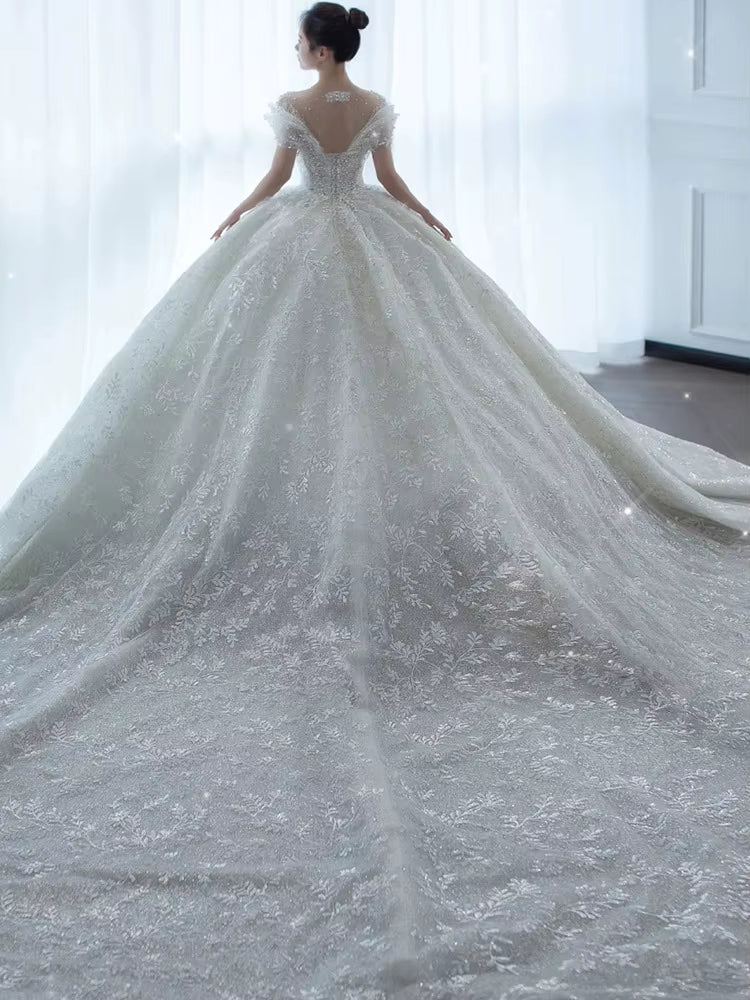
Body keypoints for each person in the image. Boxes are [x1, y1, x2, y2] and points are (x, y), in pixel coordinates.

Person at [1, 4, 749, 996]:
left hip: (301, 242)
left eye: (299, 41)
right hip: (371, 238)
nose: (296, 53)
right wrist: (425, 220)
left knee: (292, 384)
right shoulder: (377, 103)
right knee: (390, 373)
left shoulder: (292, 104)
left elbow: (279, 179)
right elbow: (390, 182)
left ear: (316, 49)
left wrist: (236, 217)